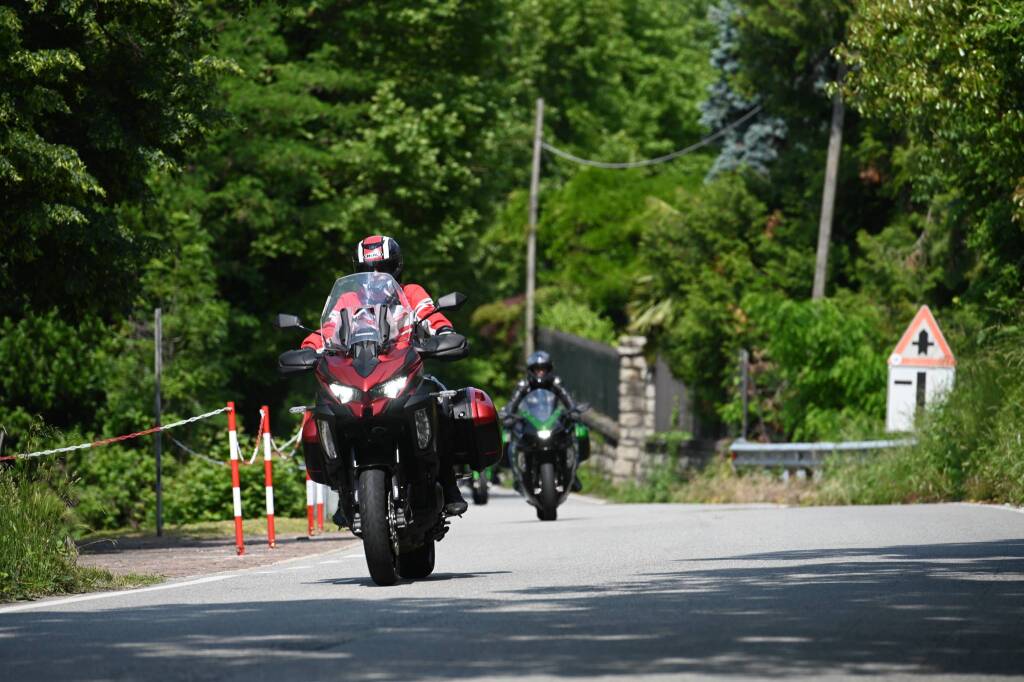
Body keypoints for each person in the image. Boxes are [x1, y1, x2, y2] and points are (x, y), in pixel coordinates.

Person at [302, 235, 468, 516]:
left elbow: (428, 313)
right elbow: (328, 328)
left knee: (442, 403)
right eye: (369, 270)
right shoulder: (347, 298)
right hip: (358, 374)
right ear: (358, 272)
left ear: (397, 268)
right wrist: (308, 348)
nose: (376, 275)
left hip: (403, 369)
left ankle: (449, 482)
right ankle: (343, 489)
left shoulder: (410, 293)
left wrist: (443, 332)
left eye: (384, 268)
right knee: (324, 410)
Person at [504, 350, 585, 492]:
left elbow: (567, 399)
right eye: (537, 369)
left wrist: (573, 410)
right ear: (531, 370)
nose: (540, 372)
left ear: (549, 369)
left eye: (543, 369)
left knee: (578, 430)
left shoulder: (556, 383)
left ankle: (573, 472)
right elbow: (513, 402)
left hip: (552, 422)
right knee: (508, 435)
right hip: (531, 423)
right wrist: (508, 414)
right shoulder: (524, 385)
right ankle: (518, 475)